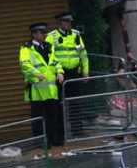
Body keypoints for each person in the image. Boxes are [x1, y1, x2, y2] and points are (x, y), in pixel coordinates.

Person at [19, 22, 65, 151]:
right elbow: (24, 65)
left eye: (45, 32)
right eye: (42, 32)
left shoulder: (49, 46)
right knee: (38, 118)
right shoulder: (26, 48)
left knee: (53, 117)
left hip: (51, 89)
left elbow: (56, 62)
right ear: (34, 34)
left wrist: (60, 72)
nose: (45, 35)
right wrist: (37, 74)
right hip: (37, 90)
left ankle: (52, 140)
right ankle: (39, 142)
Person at [46, 12, 89, 135]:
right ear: (60, 22)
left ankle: (77, 130)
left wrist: (85, 71)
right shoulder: (52, 36)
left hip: (74, 72)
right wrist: (58, 71)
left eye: (70, 22)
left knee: (75, 102)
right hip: (60, 74)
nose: (69, 24)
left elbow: (83, 54)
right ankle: (60, 132)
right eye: (67, 21)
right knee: (59, 104)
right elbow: (51, 56)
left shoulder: (76, 35)